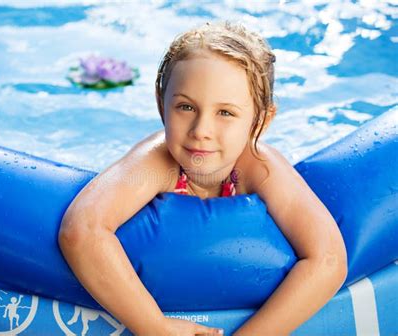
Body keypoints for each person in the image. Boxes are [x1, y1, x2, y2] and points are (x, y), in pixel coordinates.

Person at [58, 21, 347, 336]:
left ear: (260, 122)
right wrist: (155, 327)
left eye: (225, 113)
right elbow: (82, 230)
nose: (201, 131)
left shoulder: (260, 168)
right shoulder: (156, 163)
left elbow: (328, 259)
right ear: (161, 105)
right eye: (185, 107)